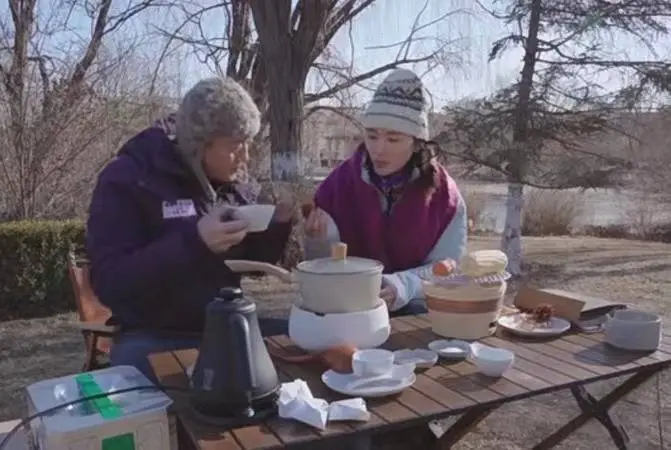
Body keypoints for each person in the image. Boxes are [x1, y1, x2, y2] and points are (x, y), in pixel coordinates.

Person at [86, 77, 294, 381]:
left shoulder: (233, 183)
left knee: (307, 340)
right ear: (201, 145)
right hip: (152, 335)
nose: (246, 157)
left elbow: (255, 264)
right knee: (178, 387)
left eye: (248, 144)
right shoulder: (130, 178)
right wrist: (194, 242)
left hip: (225, 322)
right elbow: (110, 282)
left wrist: (279, 224)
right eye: (236, 146)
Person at [303, 68, 468, 316]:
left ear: (416, 143)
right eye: (372, 136)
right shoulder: (338, 185)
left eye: (393, 139)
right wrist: (317, 242)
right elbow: (323, 268)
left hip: (417, 314)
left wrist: (404, 285)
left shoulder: (446, 198)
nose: (379, 149)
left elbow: (447, 268)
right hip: (351, 310)